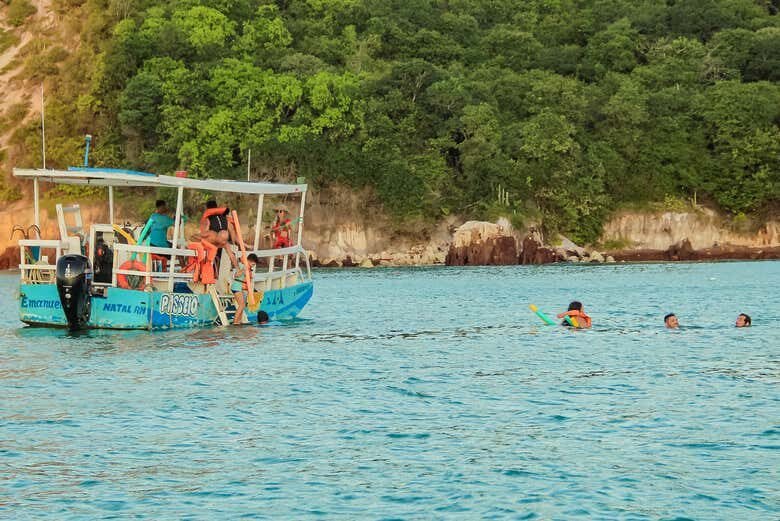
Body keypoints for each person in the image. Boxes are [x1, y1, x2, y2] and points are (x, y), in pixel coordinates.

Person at [200, 200, 238, 268]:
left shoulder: (208, 218)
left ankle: (212, 273)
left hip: (214, 242)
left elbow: (206, 231)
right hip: (224, 241)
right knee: (223, 257)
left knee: (214, 257)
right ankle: (236, 269)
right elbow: (232, 230)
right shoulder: (225, 218)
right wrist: (234, 244)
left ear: (207, 208)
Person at [231, 253, 258, 325]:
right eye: (252, 265)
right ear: (249, 261)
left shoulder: (249, 269)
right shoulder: (242, 265)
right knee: (241, 305)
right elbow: (236, 275)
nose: (253, 266)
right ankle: (235, 322)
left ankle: (238, 321)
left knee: (242, 306)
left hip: (243, 288)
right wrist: (244, 269)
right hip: (237, 286)